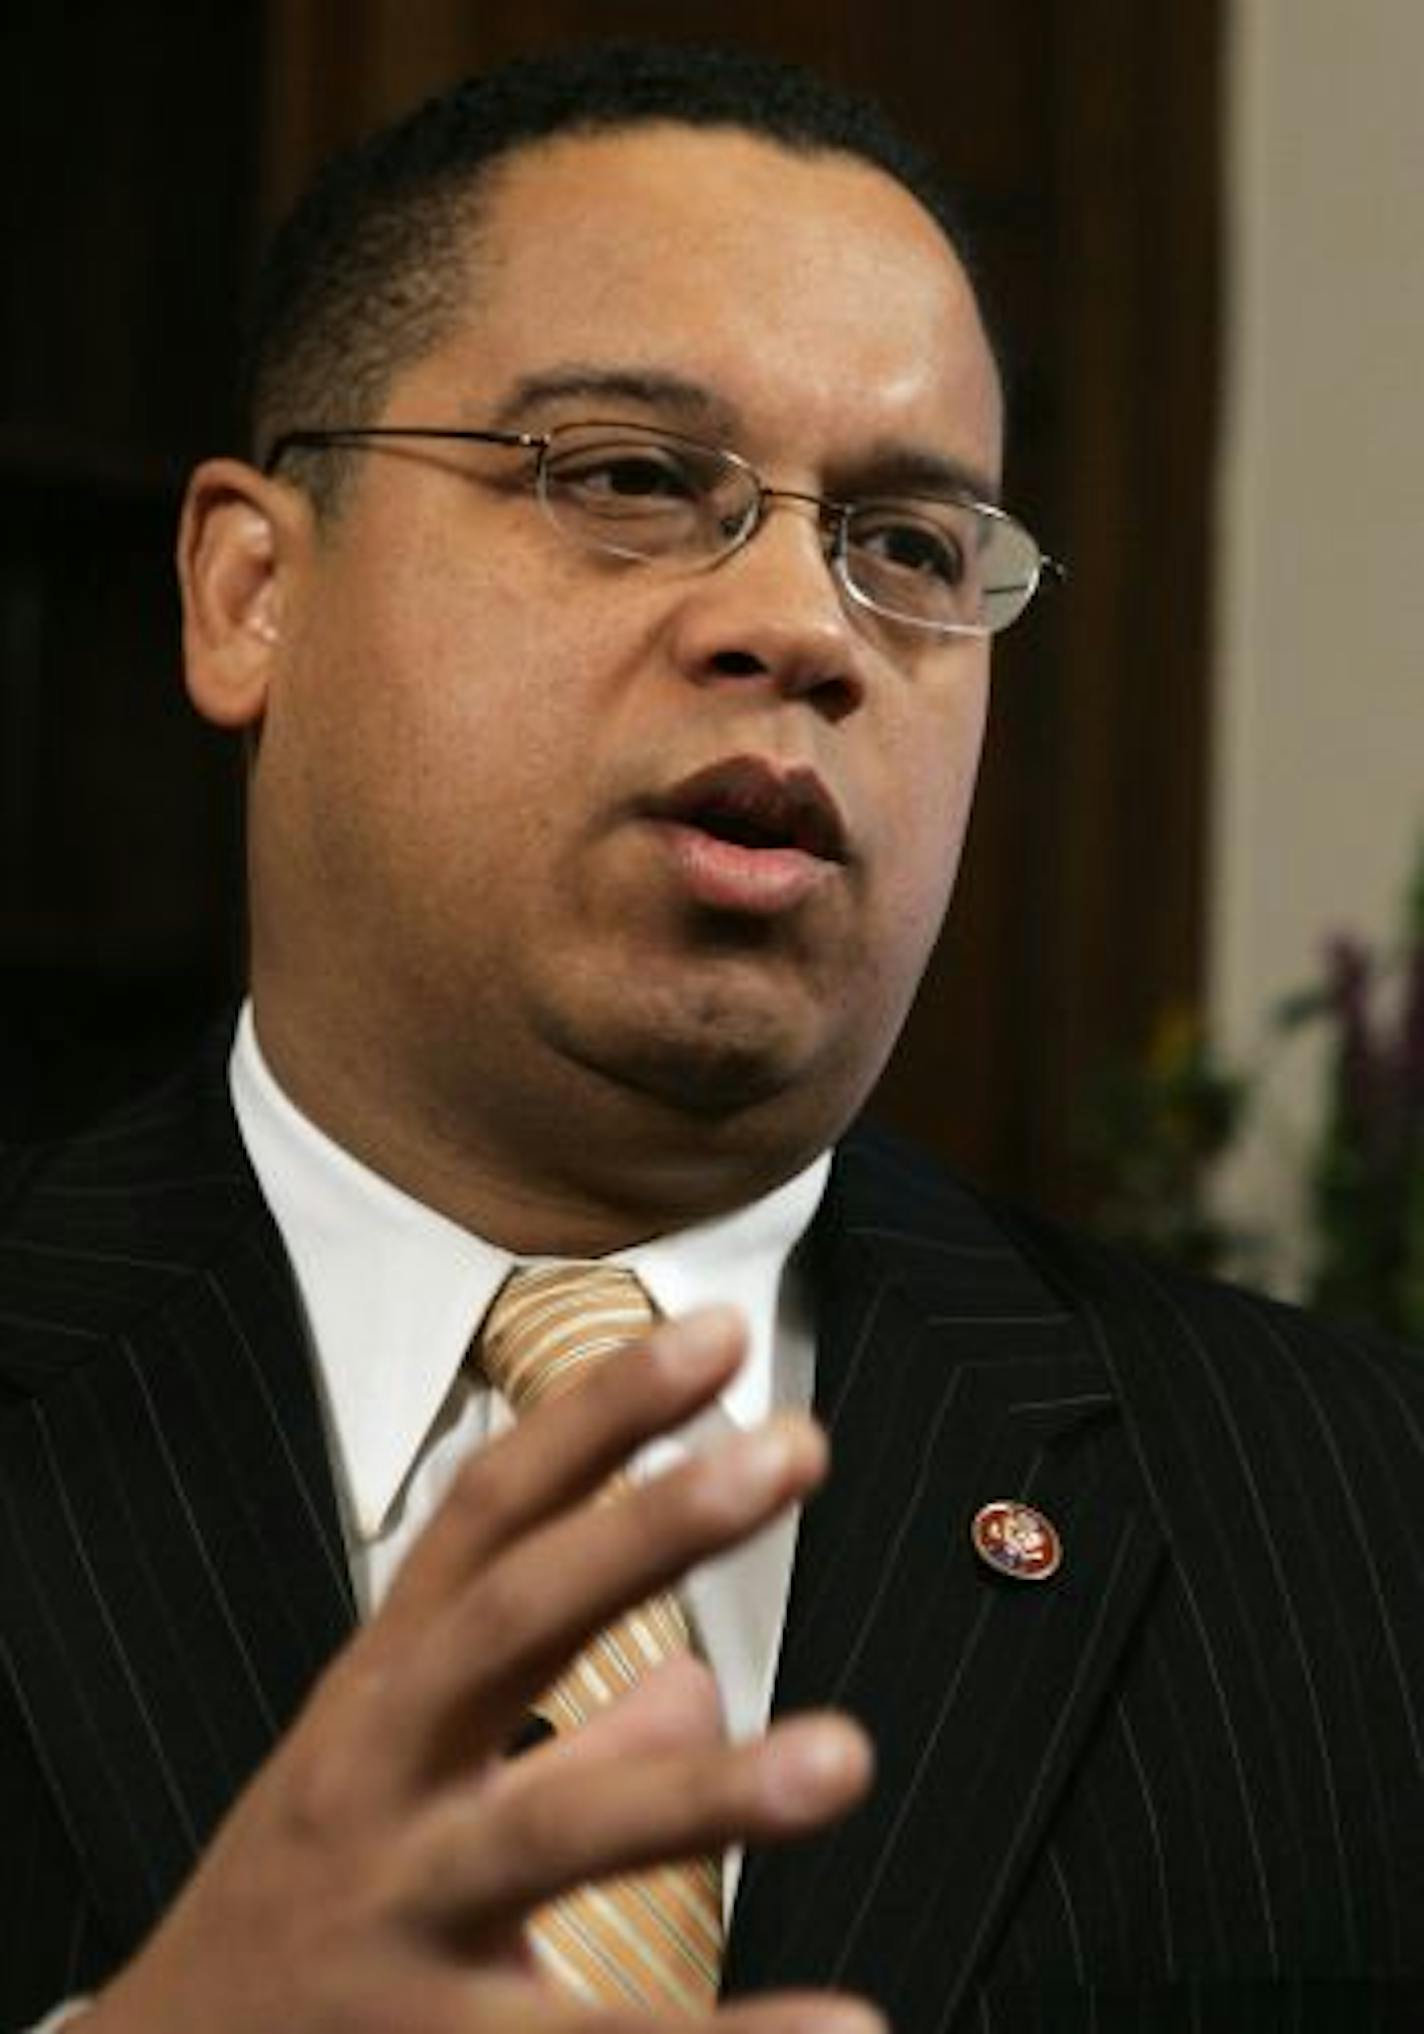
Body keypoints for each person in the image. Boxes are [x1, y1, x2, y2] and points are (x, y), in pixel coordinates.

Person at [4, 39, 1424, 2034]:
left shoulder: (1358, 1530)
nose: (805, 628)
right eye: (631, 480)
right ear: (252, 590)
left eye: (912, 547)